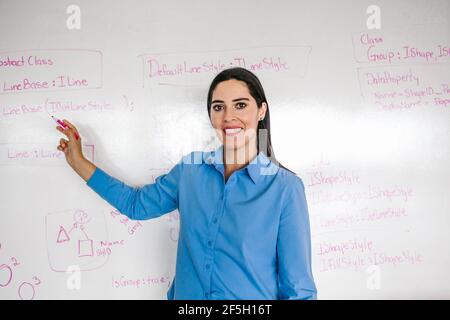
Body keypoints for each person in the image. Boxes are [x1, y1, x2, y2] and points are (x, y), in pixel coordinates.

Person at [56, 67, 317, 300]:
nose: (228, 117)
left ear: (261, 110)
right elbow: (136, 205)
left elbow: (299, 291)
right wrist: (79, 162)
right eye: (218, 107)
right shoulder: (190, 172)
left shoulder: (285, 189)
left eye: (240, 105)